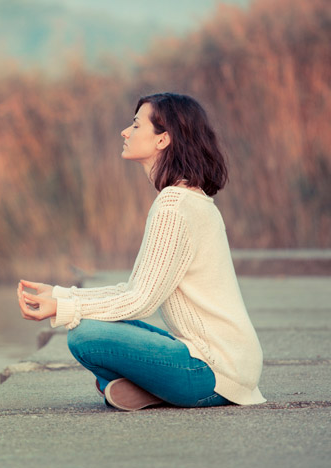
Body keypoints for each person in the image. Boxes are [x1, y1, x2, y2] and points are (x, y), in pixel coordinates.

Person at [16, 92, 265, 410]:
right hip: (227, 364)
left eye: (135, 125)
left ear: (163, 139)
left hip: (214, 372)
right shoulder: (189, 198)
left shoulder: (173, 206)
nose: (125, 132)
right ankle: (148, 390)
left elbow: (140, 302)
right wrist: (61, 295)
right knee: (92, 324)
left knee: (84, 335)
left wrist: (61, 309)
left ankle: (154, 388)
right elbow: (134, 291)